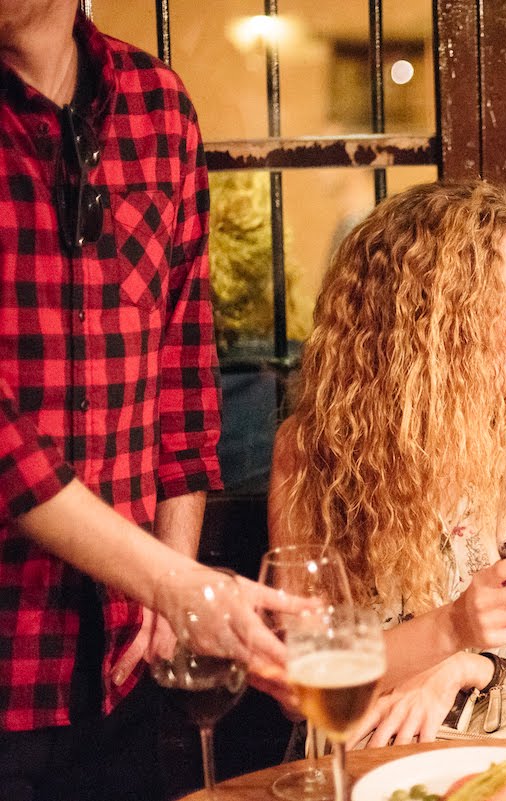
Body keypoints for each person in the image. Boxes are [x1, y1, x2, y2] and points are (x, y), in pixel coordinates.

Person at [0, 3, 292, 798]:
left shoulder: (158, 107)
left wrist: (174, 568)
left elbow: (183, 372)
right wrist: (169, 580)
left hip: (119, 673)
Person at [269, 179, 506, 744]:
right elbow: (298, 684)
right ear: (426, 322)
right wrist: (450, 628)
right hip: (365, 766)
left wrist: (470, 668)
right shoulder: (317, 452)